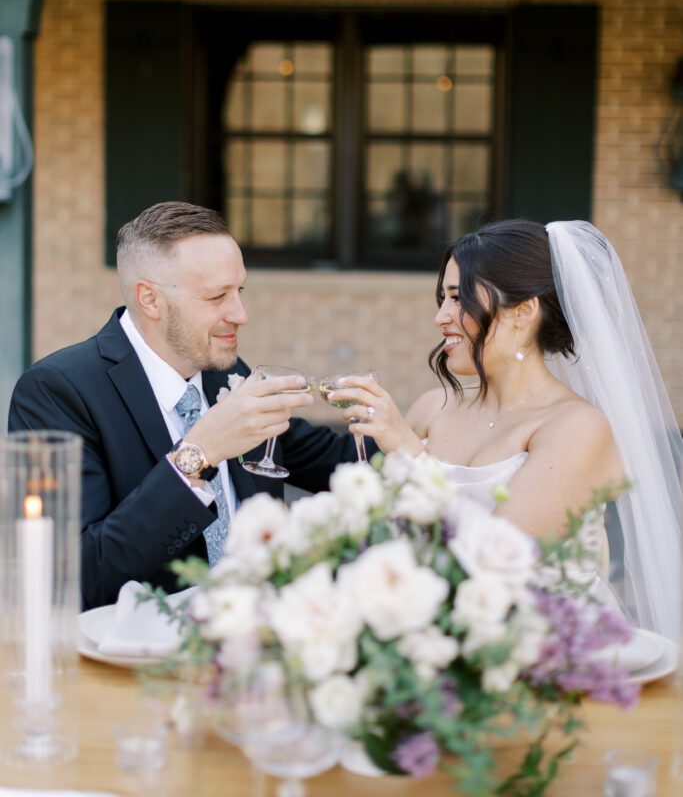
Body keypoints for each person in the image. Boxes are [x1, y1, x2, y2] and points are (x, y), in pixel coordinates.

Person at [331, 219, 682, 641]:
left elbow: (495, 563)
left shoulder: (577, 428)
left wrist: (407, 450)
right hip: (424, 636)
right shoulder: (434, 406)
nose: (441, 316)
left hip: (542, 652)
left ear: (523, 312)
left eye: (458, 299)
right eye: (442, 298)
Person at [8, 202, 365, 610]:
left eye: (239, 291)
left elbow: (332, 460)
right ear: (151, 300)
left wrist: (406, 434)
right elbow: (73, 578)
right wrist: (196, 457)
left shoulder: (227, 374)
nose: (240, 314)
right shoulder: (58, 391)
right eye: (217, 296)